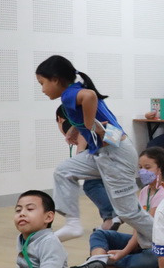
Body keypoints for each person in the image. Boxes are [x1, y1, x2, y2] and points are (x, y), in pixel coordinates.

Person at [37, 55, 152, 244]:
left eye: (42, 83)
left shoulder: (69, 94)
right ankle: (73, 223)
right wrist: (76, 128)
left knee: (129, 213)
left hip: (116, 155)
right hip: (106, 151)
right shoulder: (74, 90)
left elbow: (89, 96)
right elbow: (92, 111)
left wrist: (89, 124)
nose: (42, 89)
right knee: (63, 171)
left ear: (55, 80)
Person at [70, 148, 164, 268]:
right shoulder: (144, 191)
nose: (142, 171)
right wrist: (129, 247)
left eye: (147, 167)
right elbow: (137, 227)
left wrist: (124, 252)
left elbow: (144, 228)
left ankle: (109, 260)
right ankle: (98, 259)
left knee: (151, 260)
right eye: (140, 167)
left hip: (155, 245)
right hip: (140, 240)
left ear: (160, 169)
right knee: (99, 234)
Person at [55, 105, 116, 231]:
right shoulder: (95, 114)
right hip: (119, 146)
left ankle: (111, 217)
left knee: (91, 185)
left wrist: (79, 157)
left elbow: (82, 139)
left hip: (111, 153)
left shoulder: (70, 124)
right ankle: (110, 218)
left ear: (59, 119)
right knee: (97, 182)